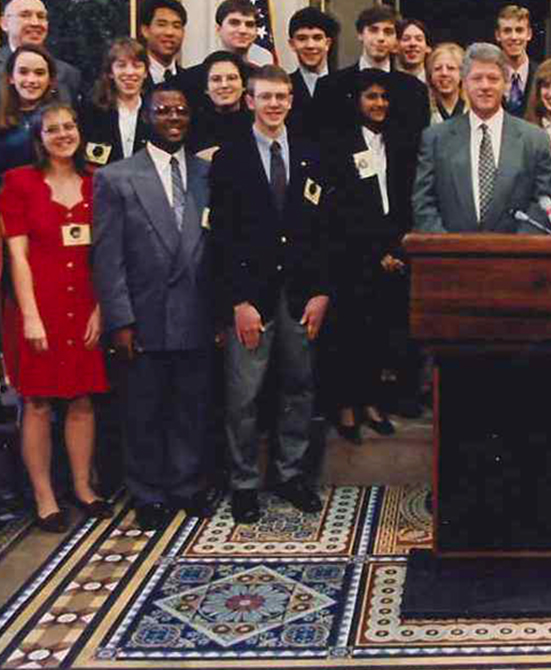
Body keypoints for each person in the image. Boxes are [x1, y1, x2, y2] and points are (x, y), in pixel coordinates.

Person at [210, 65, 333, 524]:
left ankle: (290, 474)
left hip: (300, 294)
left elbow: (324, 232)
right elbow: (221, 237)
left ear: (291, 100)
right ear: (249, 101)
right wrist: (238, 302)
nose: (275, 104)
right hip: (252, 299)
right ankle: (243, 484)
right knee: (244, 395)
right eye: (265, 97)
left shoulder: (311, 154)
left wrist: (321, 292)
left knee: (298, 388)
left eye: (282, 96)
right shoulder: (230, 158)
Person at [92, 84, 215, 531]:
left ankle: (186, 486)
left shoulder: (207, 174)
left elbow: (218, 248)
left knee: (191, 407)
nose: (174, 117)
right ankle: (147, 493)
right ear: (147, 117)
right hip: (144, 316)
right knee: (143, 411)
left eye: (181, 110)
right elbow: (107, 259)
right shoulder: (116, 177)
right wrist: (120, 320)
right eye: (164, 110)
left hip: (197, 312)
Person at [0, 103, 109, 530]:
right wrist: (30, 316)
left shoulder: (96, 182)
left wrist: (101, 307)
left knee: (82, 399)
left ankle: (83, 486)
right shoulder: (18, 183)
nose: (63, 134)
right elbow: (17, 256)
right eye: (52, 129)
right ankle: (45, 496)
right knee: (39, 402)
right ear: (38, 137)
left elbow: (105, 255)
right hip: (37, 306)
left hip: (84, 306)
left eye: (69, 127)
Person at [328, 70, 419, 440]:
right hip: (354, 256)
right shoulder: (340, 143)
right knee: (350, 333)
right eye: (371, 97)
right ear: (357, 101)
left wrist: (395, 248)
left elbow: (404, 199)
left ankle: (371, 403)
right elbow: (344, 207)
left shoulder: (397, 141)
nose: (378, 104)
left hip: (393, 254)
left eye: (383, 97)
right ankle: (347, 407)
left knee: (380, 335)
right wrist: (374, 251)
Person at [412, 42, 551, 233]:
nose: (485, 86)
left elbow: (541, 203)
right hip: (450, 257)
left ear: (506, 84)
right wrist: (446, 250)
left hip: (514, 257)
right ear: (465, 82)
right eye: (477, 78)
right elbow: (424, 202)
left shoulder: (535, 140)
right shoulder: (436, 138)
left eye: (493, 78)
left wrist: (515, 253)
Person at [313, 5, 429, 142]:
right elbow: (321, 142)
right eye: (373, 30)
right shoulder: (330, 86)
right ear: (360, 34)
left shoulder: (414, 90)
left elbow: (418, 145)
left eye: (388, 32)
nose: (381, 38)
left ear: (396, 39)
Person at [0, 0, 81, 106]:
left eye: (41, 16)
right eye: (25, 15)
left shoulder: (69, 74)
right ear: (4, 23)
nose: (35, 23)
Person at [81, 38, 150, 168]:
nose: (130, 72)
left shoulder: (154, 112)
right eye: (121, 65)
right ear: (110, 72)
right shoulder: (93, 112)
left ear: (146, 72)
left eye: (137, 65)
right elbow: (92, 162)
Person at [0, 46, 61, 180]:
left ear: (50, 79)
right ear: (11, 77)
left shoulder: (62, 116)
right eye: (23, 72)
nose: (31, 80)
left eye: (39, 73)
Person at [188, 51, 252, 159]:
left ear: (244, 85)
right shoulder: (193, 128)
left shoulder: (258, 124)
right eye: (216, 79)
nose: (224, 85)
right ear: (206, 88)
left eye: (231, 78)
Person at [286, 6, 339, 137]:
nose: (310, 45)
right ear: (292, 44)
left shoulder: (346, 85)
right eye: (302, 38)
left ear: (327, 43)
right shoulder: (284, 88)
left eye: (317, 38)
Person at [496, 4, 536, 117]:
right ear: (498, 35)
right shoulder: (489, 75)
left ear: (529, 34)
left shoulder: (541, 74)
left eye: (519, 30)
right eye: (507, 31)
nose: (513, 37)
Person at [139, 0, 187, 86]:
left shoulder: (191, 81)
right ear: (145, 30)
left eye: (176, 26)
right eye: (161, 25)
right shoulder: (133, 80)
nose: (169, 32)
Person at [427, 42, 467, 124]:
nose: (444, 73)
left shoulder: (475, 109)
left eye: (451, 68)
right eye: (438, 69)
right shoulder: (422, 109)